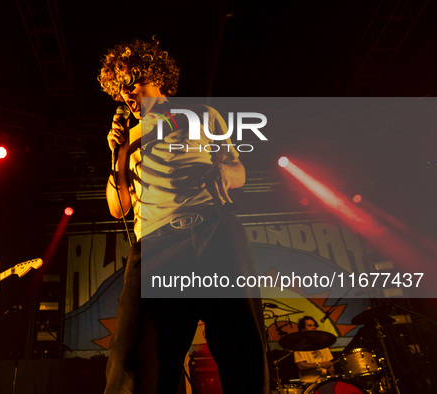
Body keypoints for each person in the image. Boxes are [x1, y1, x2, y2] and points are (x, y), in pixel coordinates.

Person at [100, 37, 269, 393]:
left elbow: (239, 169)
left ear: (157, 76)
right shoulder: (126, 137)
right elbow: (119, 209)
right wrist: (117, 155)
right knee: (133, 361)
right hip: (157, 245)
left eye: (135, 82)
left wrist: (225, 173)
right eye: (121, 89)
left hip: (214, 231)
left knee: (242, 350)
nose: (128, 93)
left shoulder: (202, 115)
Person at [294, 316, 335, 384]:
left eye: (314, 325)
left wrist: (333, 378)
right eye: (310, 326)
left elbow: (330, 364)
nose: (314, 327)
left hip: (323, 382)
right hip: (308, 383)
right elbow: (301, 366)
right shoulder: (299, 346)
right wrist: (319, 365)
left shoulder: (323, 345)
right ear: (303, 329)